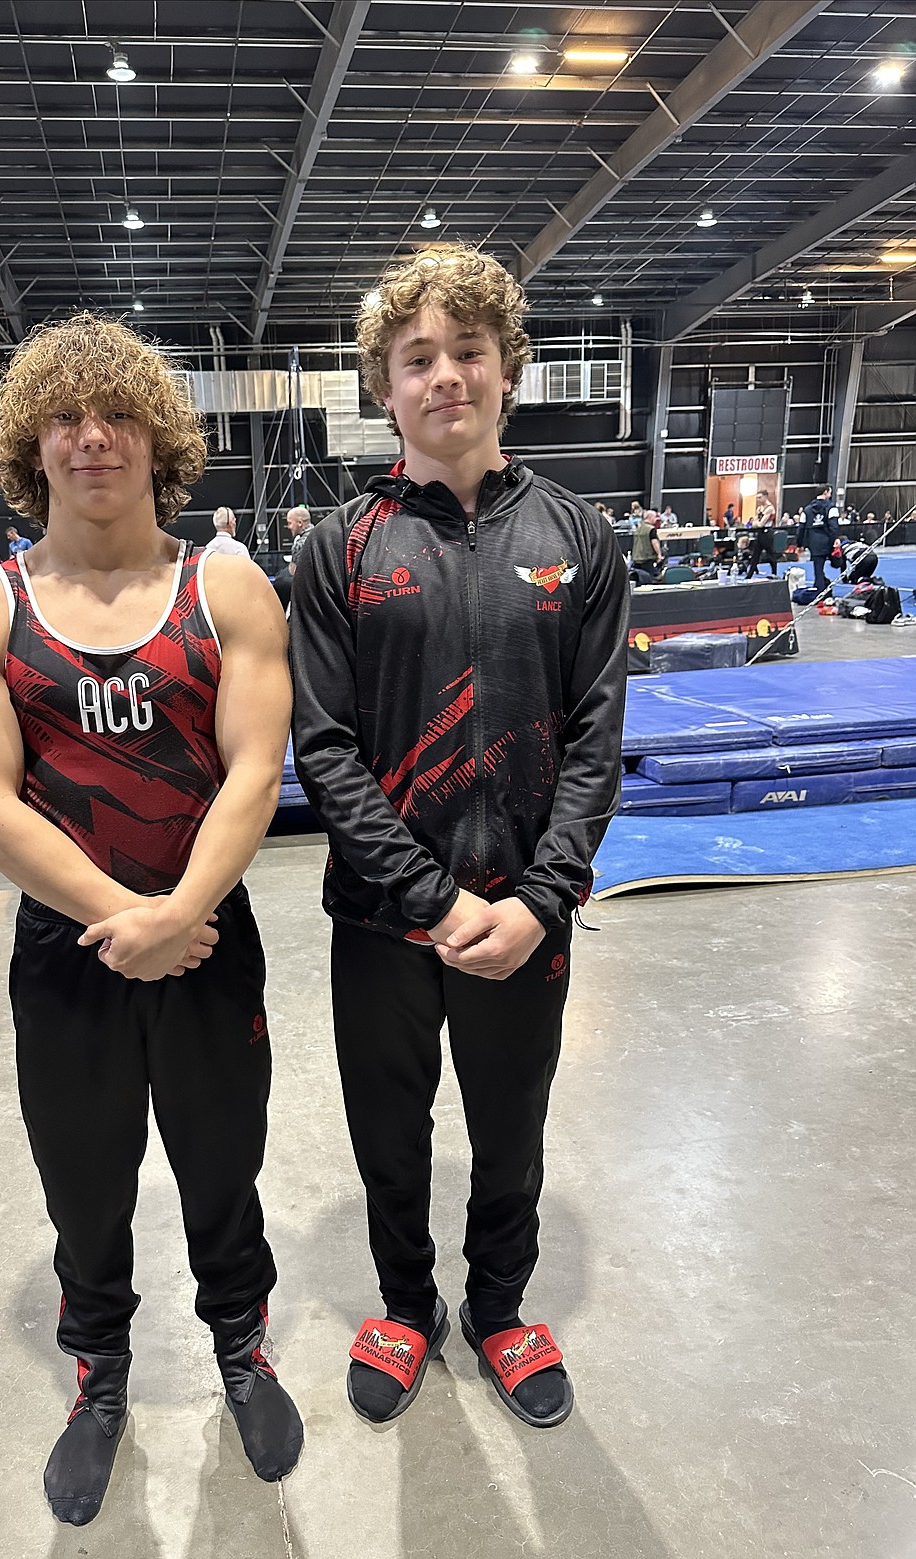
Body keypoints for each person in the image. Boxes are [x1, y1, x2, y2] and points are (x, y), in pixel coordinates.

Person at [0, 312, 302, 1526]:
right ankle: (100, 1374)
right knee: (83, 1179)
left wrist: (183, 912)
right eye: (65, 417)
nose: (93, 437)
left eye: (118, 414)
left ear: (160, 438)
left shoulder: (225, 582)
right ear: (29, 444)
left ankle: (241, 1341)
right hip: (70, 950)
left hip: (207, 936)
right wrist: (125, 919)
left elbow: (256, 769)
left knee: (222, 1161)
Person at [290, 244, 628, 1432]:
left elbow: (595, 742)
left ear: (507, 371)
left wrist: (542, 895)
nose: (446, 375)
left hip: (527, 910)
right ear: (383, 385)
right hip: (387, 919)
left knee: (511, 1123)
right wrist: (430, 897)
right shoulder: (336, 549)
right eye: (417, 357)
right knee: (390, 1124)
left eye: (468, 352)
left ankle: (498, 1307)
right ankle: (403, 1303)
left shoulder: (583, 538)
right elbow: (323, 747)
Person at [796, 485, 841, 591]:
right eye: (830, 492)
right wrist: (836, 539)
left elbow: (801, 528)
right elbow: (834, 526)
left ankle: (819, 592)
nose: (830, 495)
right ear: (825, 492)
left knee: (818, 570)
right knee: (837, 562)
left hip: (814, 542)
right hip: (828, 540)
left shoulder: (806, 510)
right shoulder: (831, 507)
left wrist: (799, 544)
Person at [631, 508, 663, 582]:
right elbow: (654, 542)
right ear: (650, 517)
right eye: (655, 517)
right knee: (649, 580)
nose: (656, 519)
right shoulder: (651, 529)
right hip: (647, 558)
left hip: (636, 558)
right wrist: (659, 554)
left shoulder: (638, 528)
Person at [285, 505, 315, 575]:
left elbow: (293, 571)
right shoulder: (320, 535)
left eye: (290, 523)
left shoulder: (300, 544)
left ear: (300, 523)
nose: (289, 527)